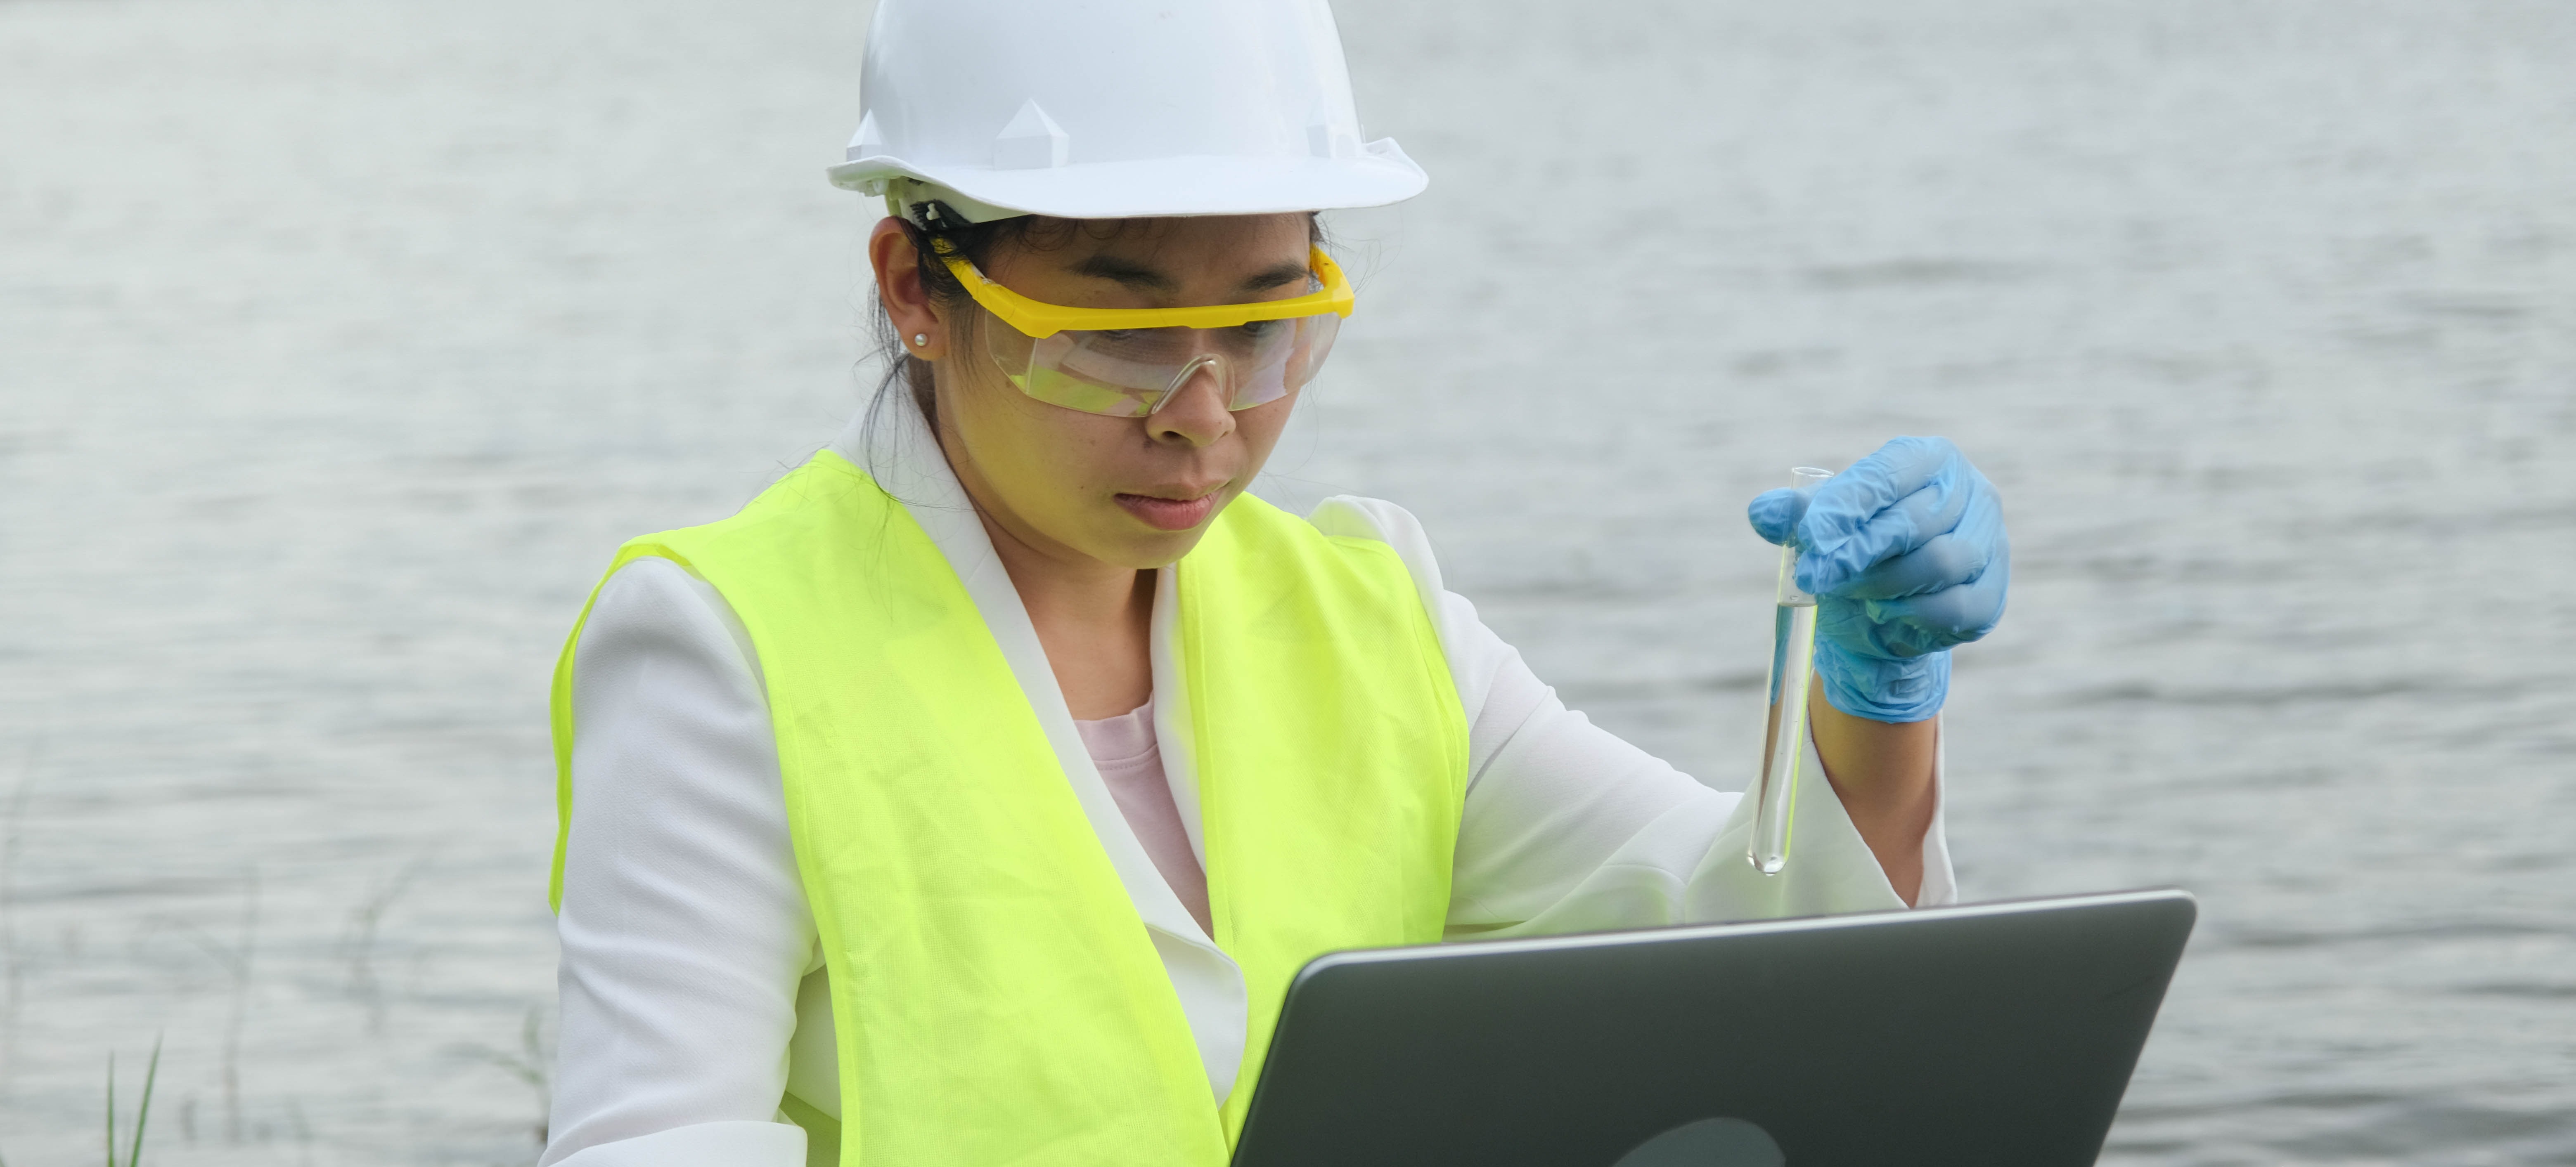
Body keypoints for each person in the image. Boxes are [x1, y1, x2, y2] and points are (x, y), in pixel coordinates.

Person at [536, 2, 2010, 1165]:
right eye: (1114, 335)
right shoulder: (727, 650)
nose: (1204, 414)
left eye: (1263, 326)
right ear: (919, 287)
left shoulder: (1373, 617)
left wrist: (1873, 702)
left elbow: (1750, 961)